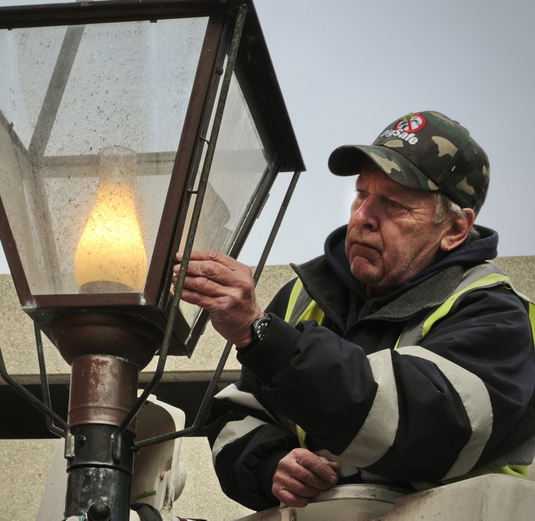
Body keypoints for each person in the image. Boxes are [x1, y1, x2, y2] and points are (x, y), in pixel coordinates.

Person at [175, 111, 535, 511]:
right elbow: (238, 414)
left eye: (394, 204)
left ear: (454, 230)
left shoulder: (493, 312)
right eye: (362, 194)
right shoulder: (301, 297)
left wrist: (263, 335)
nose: (362, 217)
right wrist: (271, 465)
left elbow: (418, 422)